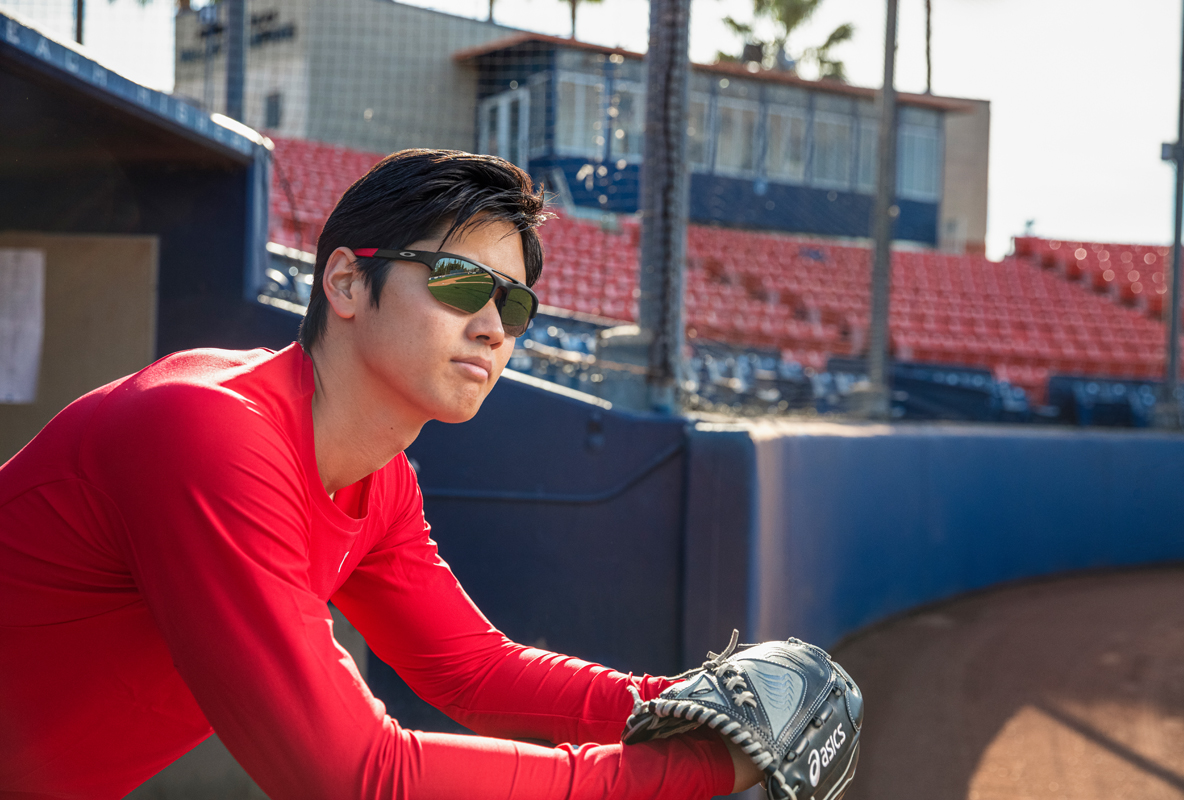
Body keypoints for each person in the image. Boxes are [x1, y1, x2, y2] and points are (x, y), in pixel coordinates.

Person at [0, 150, 761, 799]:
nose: (493, 327)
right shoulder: (208, 431)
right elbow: (351, 775)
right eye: (459, 282)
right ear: (345, 283)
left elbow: (473, 671)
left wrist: (695, 704)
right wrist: (686, 772)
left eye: (513, 304)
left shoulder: (382, 477)